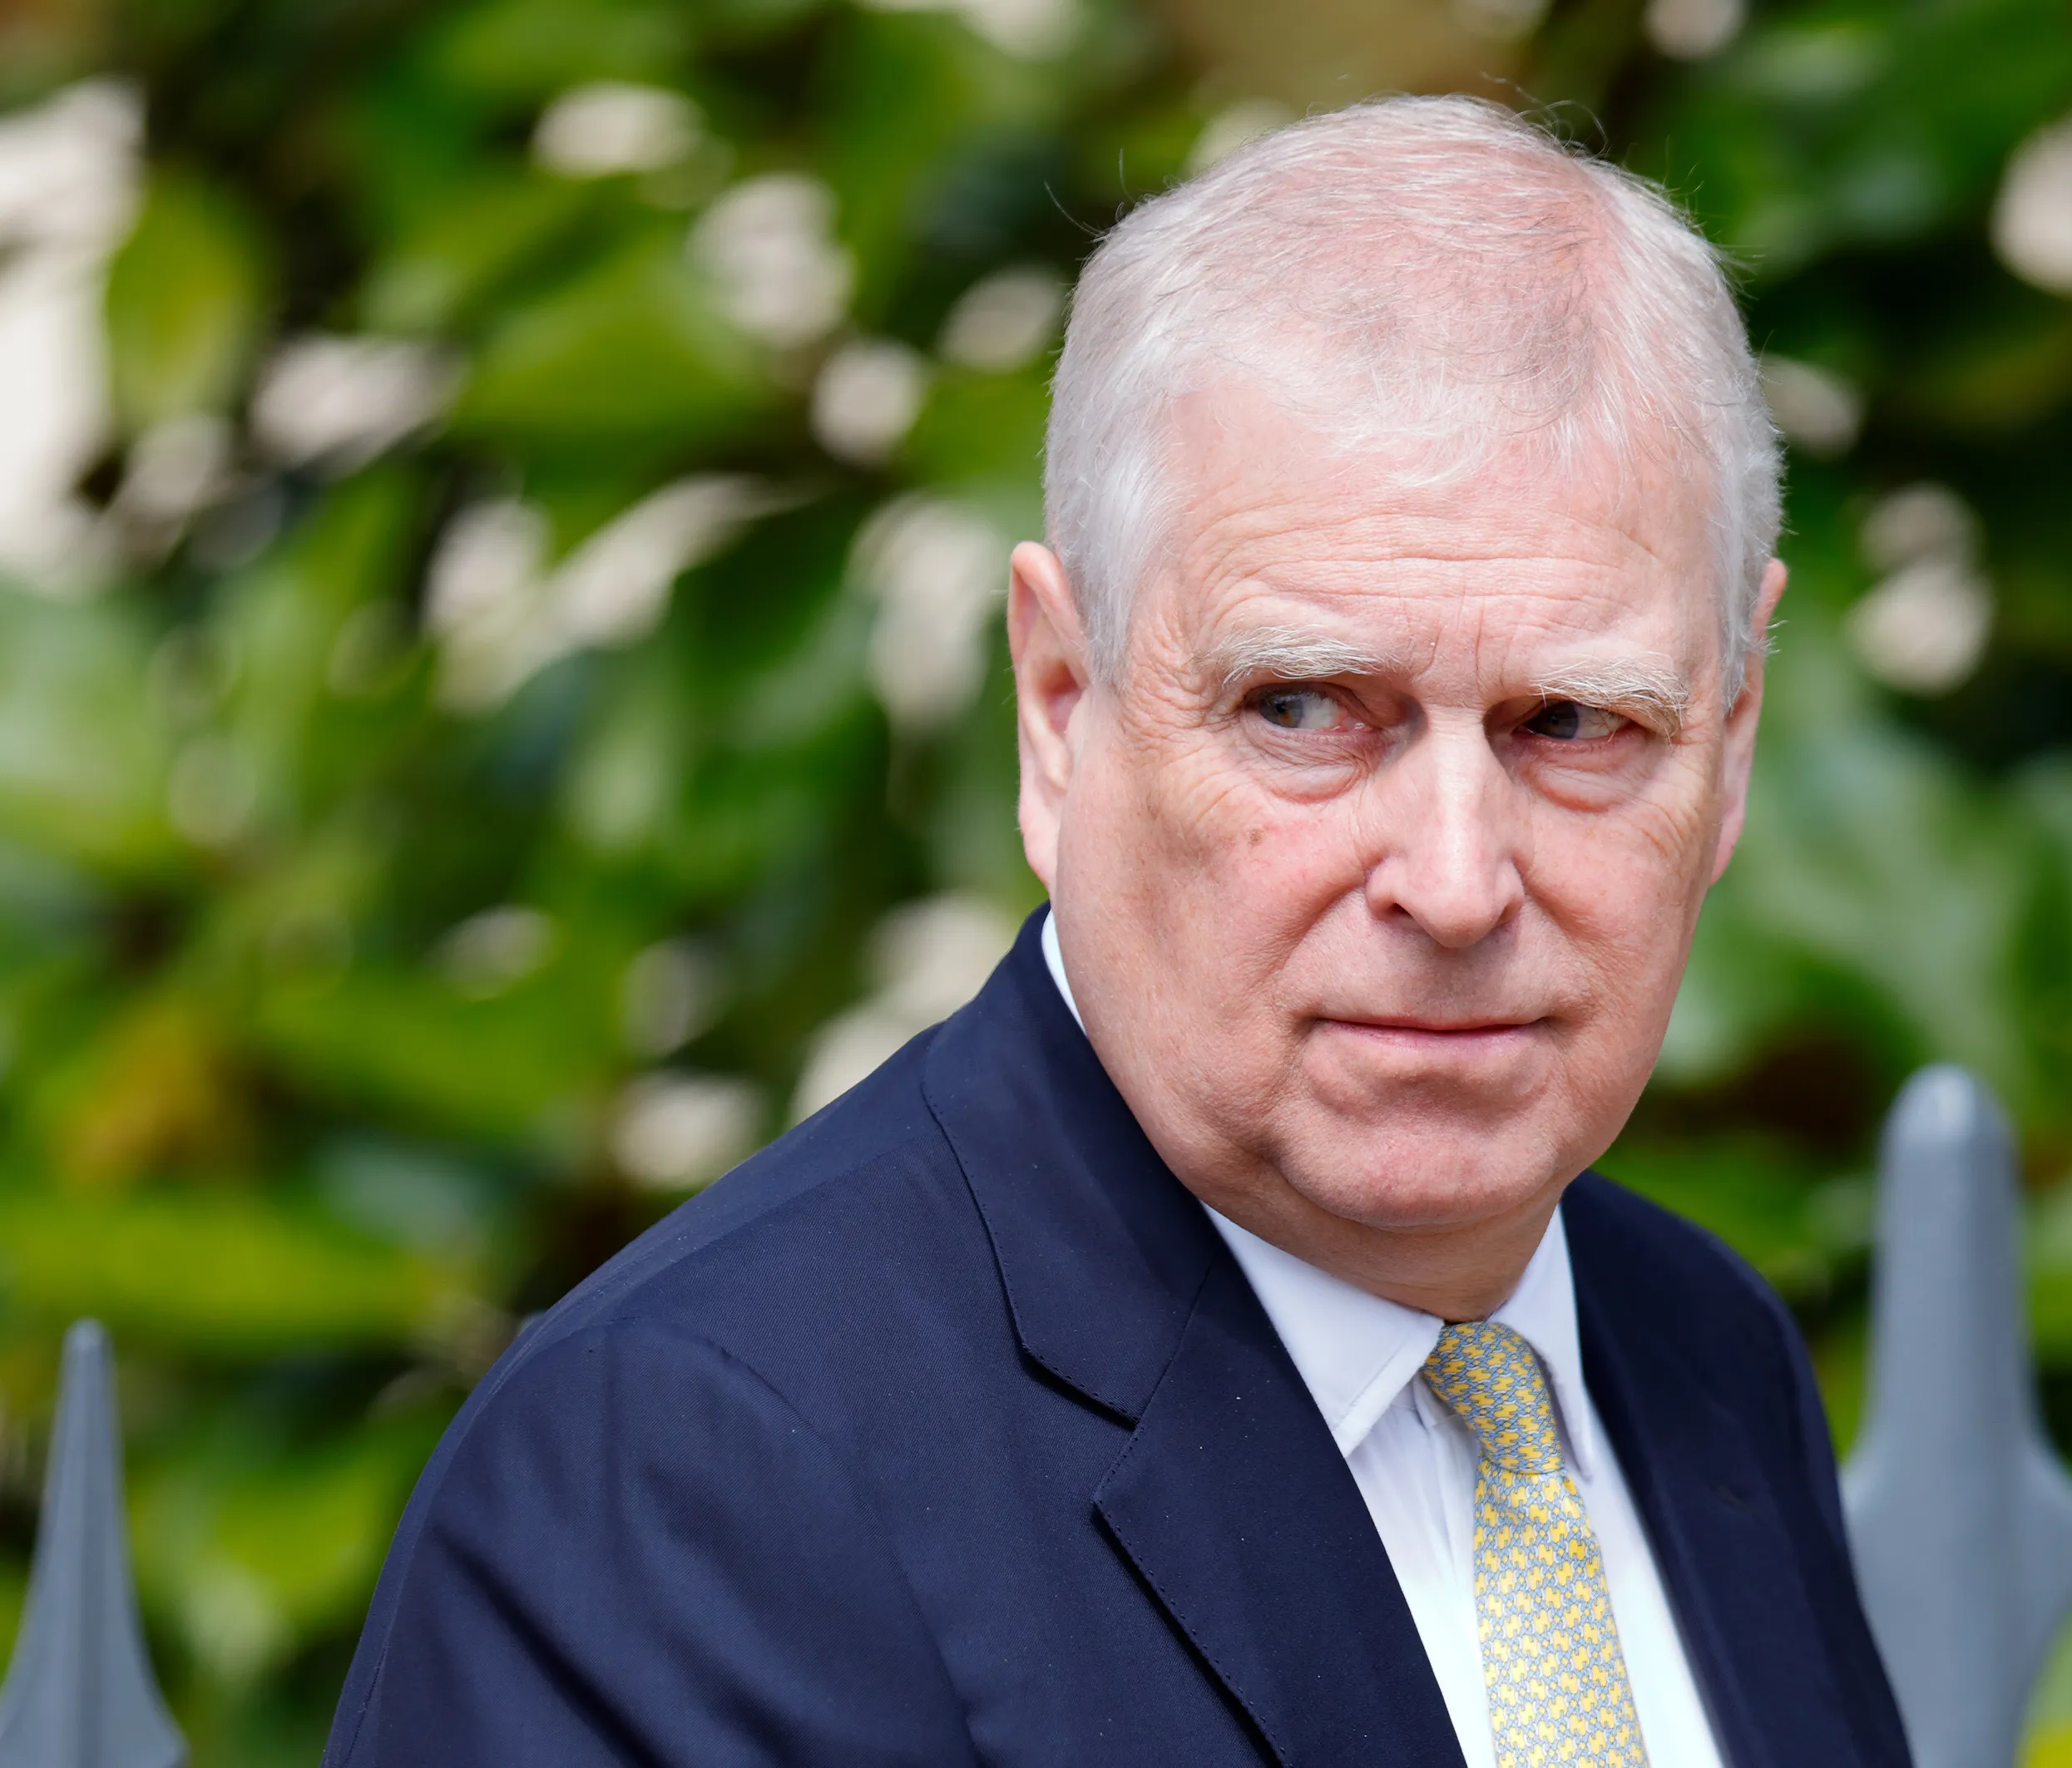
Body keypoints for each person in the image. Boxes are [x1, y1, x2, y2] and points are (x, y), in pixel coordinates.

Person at [324, 96, 1911, 1768]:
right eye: (1304, 706)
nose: (1453, 881)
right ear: (1059, 708)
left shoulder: (1697, 1355)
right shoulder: (682, 1486)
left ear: (1729, 738)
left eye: (1574, 722)